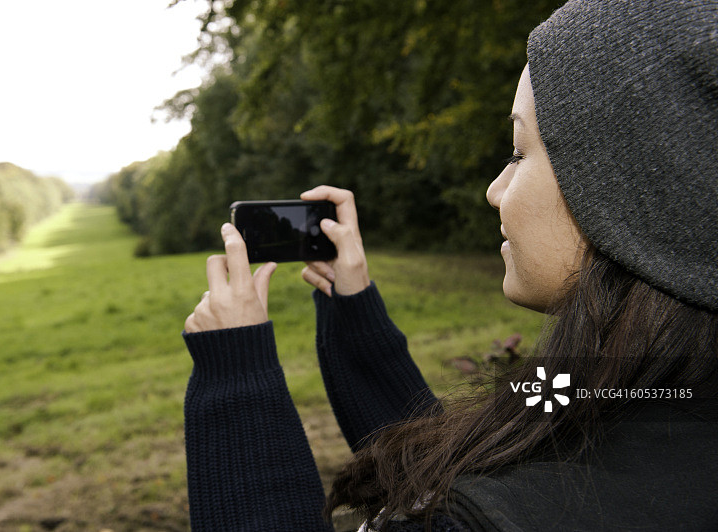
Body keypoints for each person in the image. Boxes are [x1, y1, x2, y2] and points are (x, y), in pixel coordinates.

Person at [181, 0, 718, 530]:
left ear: (629, 193)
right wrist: (355, 313)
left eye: (519, 151)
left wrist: (237, 380)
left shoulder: (494, 515)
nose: (495, 190)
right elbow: (441, 464)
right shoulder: (636, 397)